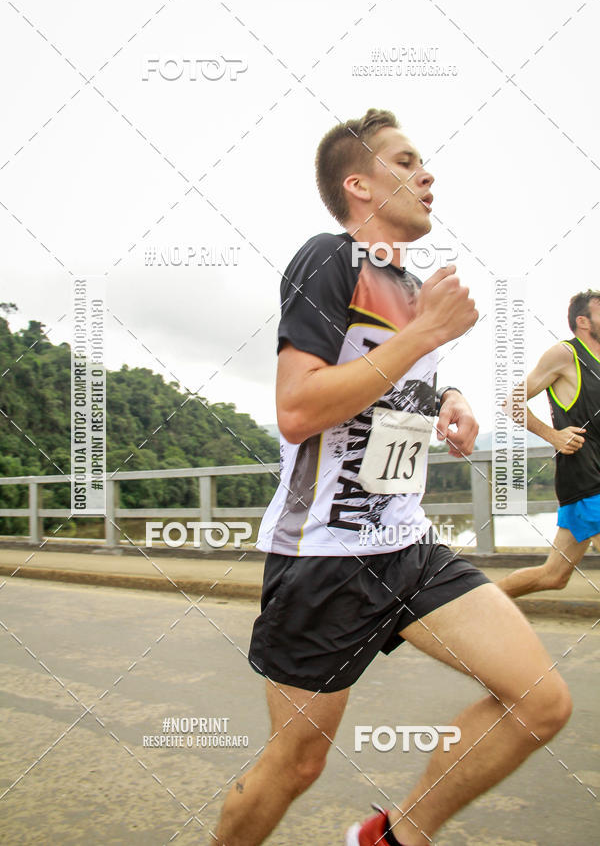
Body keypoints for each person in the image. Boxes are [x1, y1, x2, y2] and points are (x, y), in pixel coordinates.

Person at [212, 109, 572, 846]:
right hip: (324, 555)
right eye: (405, 162)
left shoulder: (408, 288)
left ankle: (391, 838)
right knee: (298, 762)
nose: (426, 174)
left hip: (407, 546)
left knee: (540, 701)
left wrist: (450, 397)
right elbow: (297, 409)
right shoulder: (331, 259)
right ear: (360, 185)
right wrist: (427, 333)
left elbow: (391, 377)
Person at [497, 290, 600, 598]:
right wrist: (552, 435)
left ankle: (475, 603)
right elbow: (512, 403)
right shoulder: (566, 354)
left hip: (589, 485)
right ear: (583, 321)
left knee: (554, 576)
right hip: (587, 480)